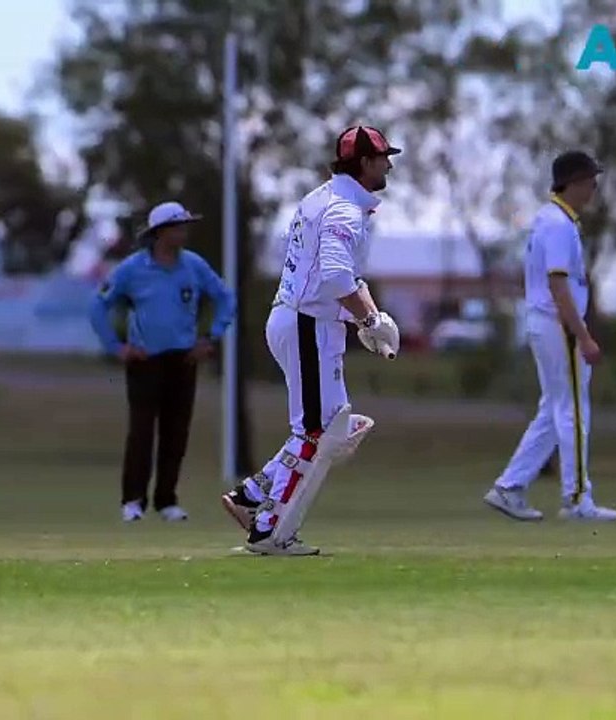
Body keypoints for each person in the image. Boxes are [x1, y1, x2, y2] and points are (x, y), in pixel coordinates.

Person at [221, 126, 402, 556]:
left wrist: (366, 320)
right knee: (319, 431)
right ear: (364, 163)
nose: (389, 165)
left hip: (303, 320)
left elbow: (337, 277)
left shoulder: (320, 199)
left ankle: (253, 494)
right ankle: (268, 529)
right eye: (382, 158)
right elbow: (336, 277)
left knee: (332, 424)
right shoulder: (343, 210)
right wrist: (370, 320)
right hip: (307, 325)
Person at [481, 150, 616, 522]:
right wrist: (584, 335)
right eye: (590, 179)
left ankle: (509, 488)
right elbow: (558, 285)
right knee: (573, 410)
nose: (594, 186)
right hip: (558, 325)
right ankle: (576, 499)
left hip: (545, 323)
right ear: (573, 182)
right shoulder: (558, 224)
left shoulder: (551, 219)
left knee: (553, 410)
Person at [89, 201, 236, 523]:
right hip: (145, 360)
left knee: (176, 432)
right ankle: (132, 501)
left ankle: (166, 500)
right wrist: (117, 347)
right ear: (160, 233)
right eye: (178, 226)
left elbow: (225, 297)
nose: (184, 231)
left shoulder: (194, 265)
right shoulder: (132, 269)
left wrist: (210, 337)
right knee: (141, 432)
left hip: (183, 359)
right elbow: (99, 306)